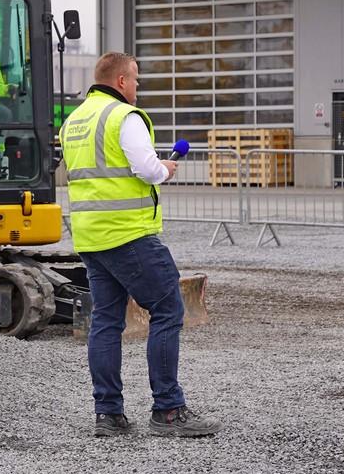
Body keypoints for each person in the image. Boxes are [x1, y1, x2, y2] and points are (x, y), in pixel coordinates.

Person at [59, 51, 222, 438]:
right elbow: (146, 169)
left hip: (91, 237)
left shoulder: (75, 121)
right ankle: (168, 410)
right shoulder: (123, 117)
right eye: (135, 80)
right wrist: (165, 168)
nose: (136, 87)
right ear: (120, 82)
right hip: (128, 234)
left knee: (106, 321)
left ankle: (109, 415)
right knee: (167, 308)